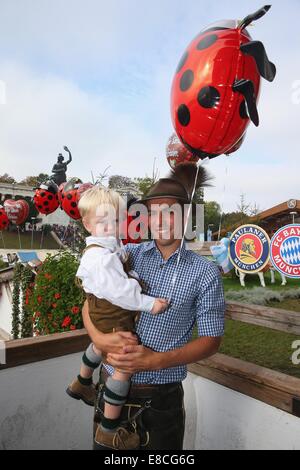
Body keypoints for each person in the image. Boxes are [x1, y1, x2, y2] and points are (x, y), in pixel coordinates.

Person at [82, 163, 226, 450]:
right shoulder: (127, 256)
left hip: (160, 400)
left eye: (170, 212)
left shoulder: (204, 272)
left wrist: (153, 361)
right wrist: (99, 338)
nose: (161, 220)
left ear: (185, 216)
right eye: (154, 213)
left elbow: (211, 341)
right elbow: (88, 303)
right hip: (109, 389)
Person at [66, 186, 168, 450]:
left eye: (115, 220)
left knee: (100, 344)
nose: (110, 227)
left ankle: (82, 380)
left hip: (101, 311)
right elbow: (122, 292)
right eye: (103, 222)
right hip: (112, 313)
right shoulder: (101, 258)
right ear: (87, 224)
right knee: (124, 364)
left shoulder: (106, 247)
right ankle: (108, 429)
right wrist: (149, 304)